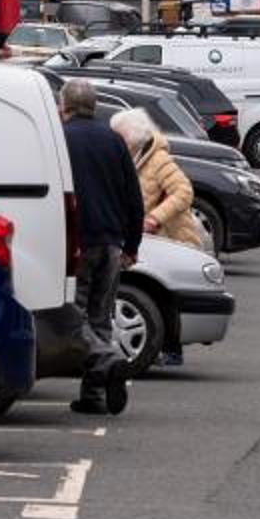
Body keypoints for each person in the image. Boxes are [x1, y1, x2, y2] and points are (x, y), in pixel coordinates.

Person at [59, 79, 144, 415]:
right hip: (111, 242)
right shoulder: (113, 141)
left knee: (72, 316)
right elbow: (133, 198)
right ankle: (93, 396)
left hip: (77, 241)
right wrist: (132, 244)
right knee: (100, 318)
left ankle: (108, 360)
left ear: (65, 105)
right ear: (93, 106)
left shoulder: (61, 139)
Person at [114, 106, 198, 367]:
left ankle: (173, 350)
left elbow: (184, 192)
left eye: (119, 138)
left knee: (166, 295)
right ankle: (168, 349)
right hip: (151, 239)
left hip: (171, 237)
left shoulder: (158, 159)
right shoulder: (133, 159)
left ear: (132, 138)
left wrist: (155, 218)